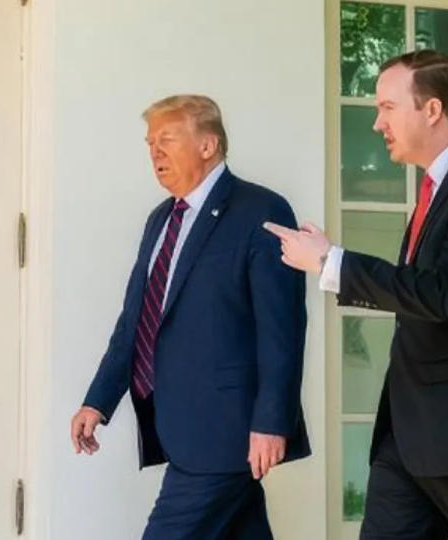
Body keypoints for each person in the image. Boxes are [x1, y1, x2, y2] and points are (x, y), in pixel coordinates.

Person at [265, 51, 448, 539]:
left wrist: (330, 262)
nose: (378, 122)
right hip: (408, 437)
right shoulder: (437, 188)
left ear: (432, 109)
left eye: (387, 107)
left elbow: (443, 293)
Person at [71, 95, 309, 539]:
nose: (154, 152)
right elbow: (135, 322)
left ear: (208, 145)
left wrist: (273, 422)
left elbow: (283, 329)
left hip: (227, 431)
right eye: (149, 143)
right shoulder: (160, 220)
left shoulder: (263, 212)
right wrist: (98, 401)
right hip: (179, 425)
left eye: (167, 139)